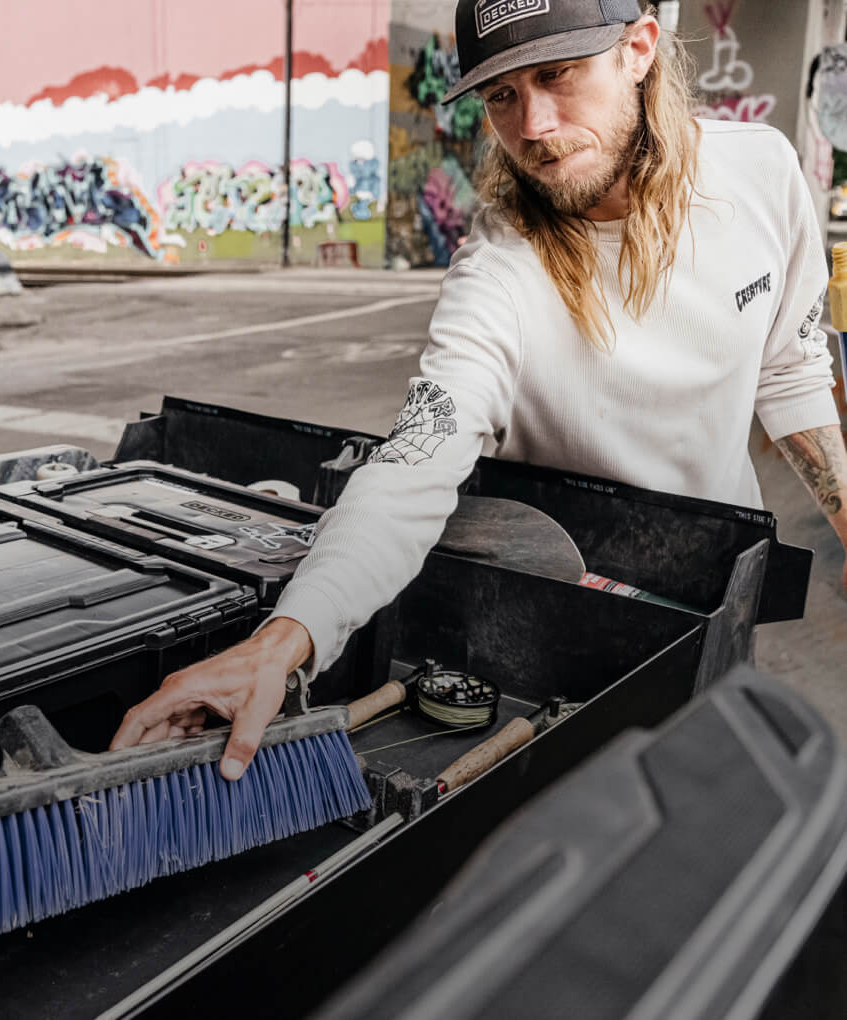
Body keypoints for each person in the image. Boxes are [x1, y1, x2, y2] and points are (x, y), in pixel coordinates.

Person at [111, 0, 847, 776]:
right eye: (502, 95)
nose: (531, 125)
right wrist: (283, 642)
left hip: (715, 591)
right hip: (566, 617)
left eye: (557, 75)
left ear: (638, 50)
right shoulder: (500, 267)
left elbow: (789, 366)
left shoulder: (762, 171)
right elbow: (414, 465)